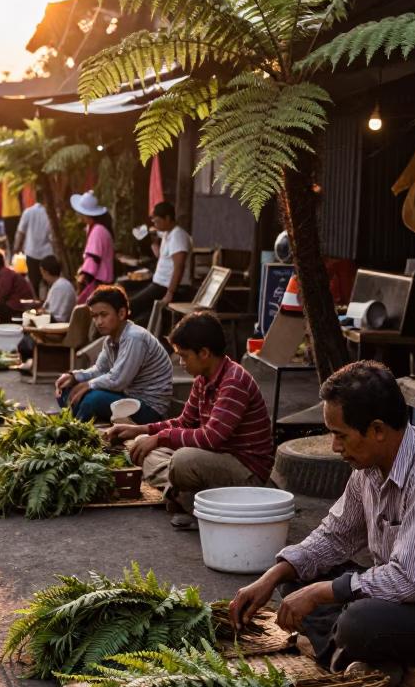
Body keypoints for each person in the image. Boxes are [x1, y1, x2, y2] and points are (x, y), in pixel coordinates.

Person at [228, 361, 415, 680]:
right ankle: (362, 659)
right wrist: (271, 577)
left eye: (340, 435)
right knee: (296, 579)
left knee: (358, 622)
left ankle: (349, 650)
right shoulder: (368, 469)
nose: (335, 447)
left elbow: (408, 581)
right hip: (409, 603)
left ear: (377, 430)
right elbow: (334, 536)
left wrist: (321, 594)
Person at [109, 311, 274, 529]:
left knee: (182, 460)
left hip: (246, 473)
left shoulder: (233, 381)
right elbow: (184, 422)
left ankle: (189, 501)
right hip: (214, 460)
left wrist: (159, 438)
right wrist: (141, 430)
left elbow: (211, 438)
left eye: (184, 355)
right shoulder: (202, 380)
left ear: (204, 353)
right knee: (145, 452)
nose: (180, 362)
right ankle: (186, 498)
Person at [55, 284, 173, 423]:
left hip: (148, 407)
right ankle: (79, 419)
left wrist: (88, 385)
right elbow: (100, 370)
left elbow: (118, 380)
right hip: (125, 396)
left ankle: (76, 428)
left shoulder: (134, 337)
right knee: (66, 391)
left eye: (104, 315)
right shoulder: (110, 339)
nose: (98, 322)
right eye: (95, 316)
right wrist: (74, 377)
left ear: (121, 313)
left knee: (93, 400)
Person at [128, 200, 193, 323]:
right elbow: (162, 256)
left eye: (157, 221)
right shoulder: (167, 234)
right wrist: (153, 242)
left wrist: (170, 293)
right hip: (159, 283)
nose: (155, 224)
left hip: (166, 286)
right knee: (135, 308)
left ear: (167, 218)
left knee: (132, 306)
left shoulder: (178, 236)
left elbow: (179, 266)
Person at [15, 254, 77, 370]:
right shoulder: (63, 284)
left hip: (58, 326)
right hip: (60, 322)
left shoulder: (59, 286)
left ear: (45, 272)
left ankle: (32, 363)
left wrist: (37, 314)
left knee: (25, 337)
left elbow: (51, 312)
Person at [70, 191, 114, 303]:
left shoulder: (98, 231)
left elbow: (93, 259)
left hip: (100, 282)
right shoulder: (97, 228)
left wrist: (83, 277)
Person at [14, 192, 54, 297]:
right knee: (48, 282)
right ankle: (46, 302)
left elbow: (20, 232)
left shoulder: (28, 212)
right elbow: (53, 235)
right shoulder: (50, 214)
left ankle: (36, 304)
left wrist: (16, 248)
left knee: (34, 283)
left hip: (31, 253)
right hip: (47, 254)